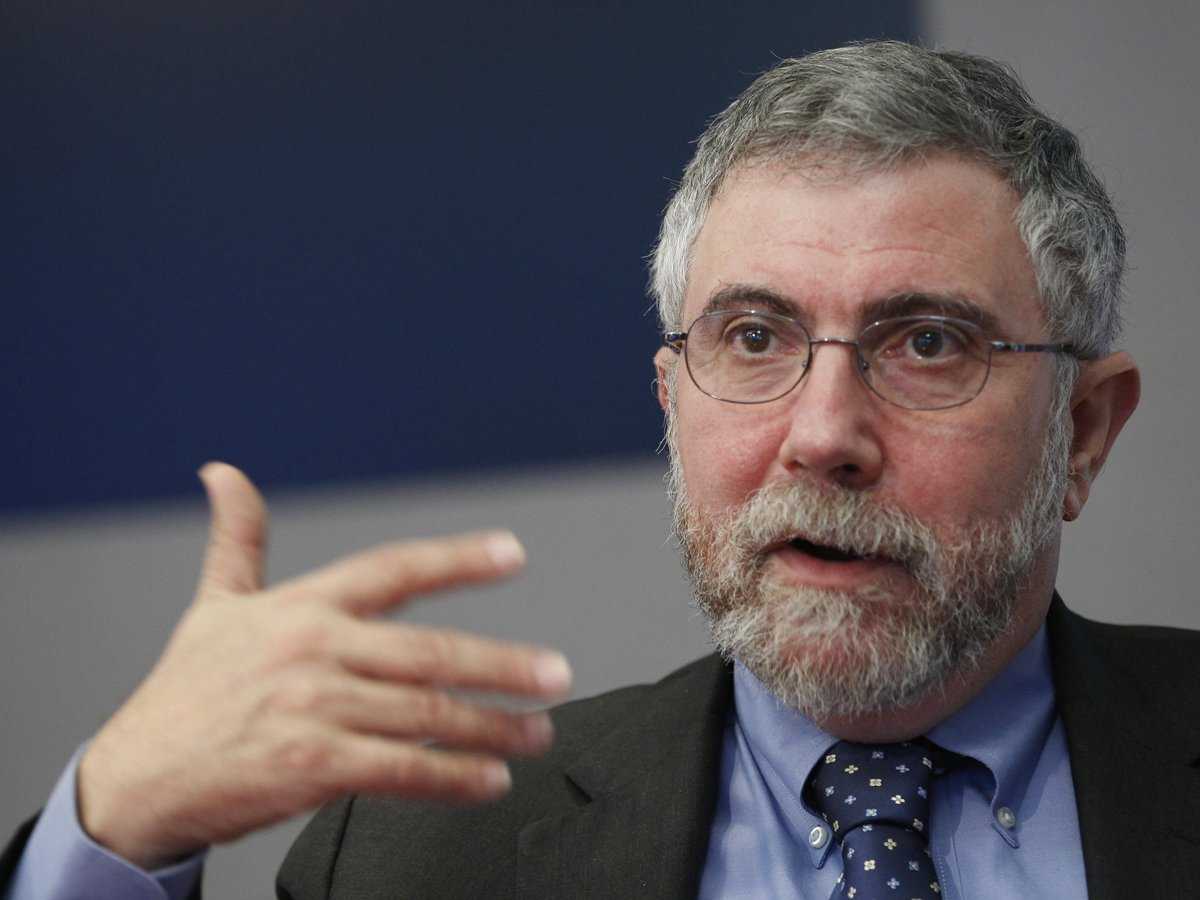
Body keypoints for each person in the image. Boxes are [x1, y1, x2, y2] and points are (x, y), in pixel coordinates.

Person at [4, 40, 1196, 899]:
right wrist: (116, 828)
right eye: (755, 337)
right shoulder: (411, 861)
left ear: (1083, 430)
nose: (824, 432)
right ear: (671, 400)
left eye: (927, 344)